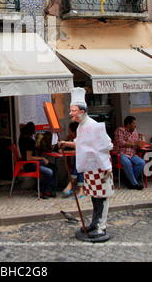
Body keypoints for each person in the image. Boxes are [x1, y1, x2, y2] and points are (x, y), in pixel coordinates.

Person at [58, 88, 114, 241]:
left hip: (100, 169)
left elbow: (108, 145)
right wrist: (66, 144)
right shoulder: (82, 126)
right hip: (91, 169)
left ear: (82, 111)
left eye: (73, 111)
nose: (71, 114)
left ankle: (101, 226)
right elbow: (80, 143)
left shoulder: (93, 125)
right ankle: (94, 223)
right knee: (95, 197)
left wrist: (104, 165)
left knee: (101, 198)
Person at [19, 122, 54, 199]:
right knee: (49, 172)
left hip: (28, 164)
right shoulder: (29, 141)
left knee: (53, 167)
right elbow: (29, 157)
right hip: (31, 165)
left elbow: (20, 125)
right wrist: (42, 158)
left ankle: (47, 189)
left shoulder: (21, 138)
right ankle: (41, 189)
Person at [112, 116, 145, 190]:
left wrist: (138, 146)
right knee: (127, 163)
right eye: (133, 123)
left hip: (132, 154)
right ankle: (134, 184)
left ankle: (129, 181)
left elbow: (136, 143)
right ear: (128, 124)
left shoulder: (135, 131)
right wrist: (134, 144)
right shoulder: (120, 130)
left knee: (141, 162)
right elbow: (120, 142)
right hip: (120, 154)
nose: (135, 125)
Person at [62, 121, 84, 199]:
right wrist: (68, 137)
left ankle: (71, 183)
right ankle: (80, 190)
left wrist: (65, 151)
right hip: (81, 162)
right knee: (79, 165)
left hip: (89, 161)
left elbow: (80, 150)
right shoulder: (74, 138)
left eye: (69, 130)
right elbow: (62, 145)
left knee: (79, 164)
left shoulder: (81, 138)